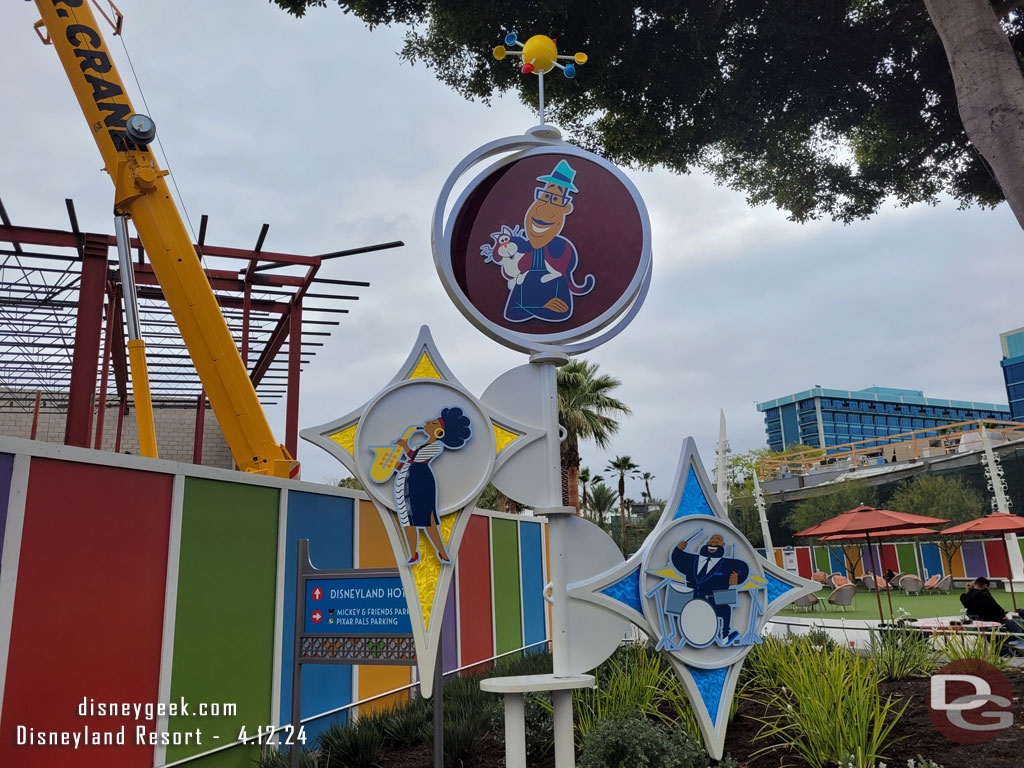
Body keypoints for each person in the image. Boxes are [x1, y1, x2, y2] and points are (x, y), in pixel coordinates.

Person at [390, 406, 473, 565]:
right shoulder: (417, 446)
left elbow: (416, 459)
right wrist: (392, 464)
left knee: (428, 521)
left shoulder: (437, 446)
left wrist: (404, 445)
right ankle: (413, 553)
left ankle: (442, 553)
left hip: (421, 482)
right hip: (406, 481)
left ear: (439, 432)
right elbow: (409, 462)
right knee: (407, 519)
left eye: (433, 423)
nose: (428, 422)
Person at [670, 533, 750, 644]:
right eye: (712, 539)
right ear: (707, 543)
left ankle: (725, 636)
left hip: (714, 601)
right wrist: (678, 549)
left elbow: (744, 568)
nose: (714, 541)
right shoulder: (692, 560)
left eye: (718, 539)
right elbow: (677, 559)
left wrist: (738, 578)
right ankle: (684, 636)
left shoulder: (727, 564)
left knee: (726, 609)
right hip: (693, 601)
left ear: (723, 545)